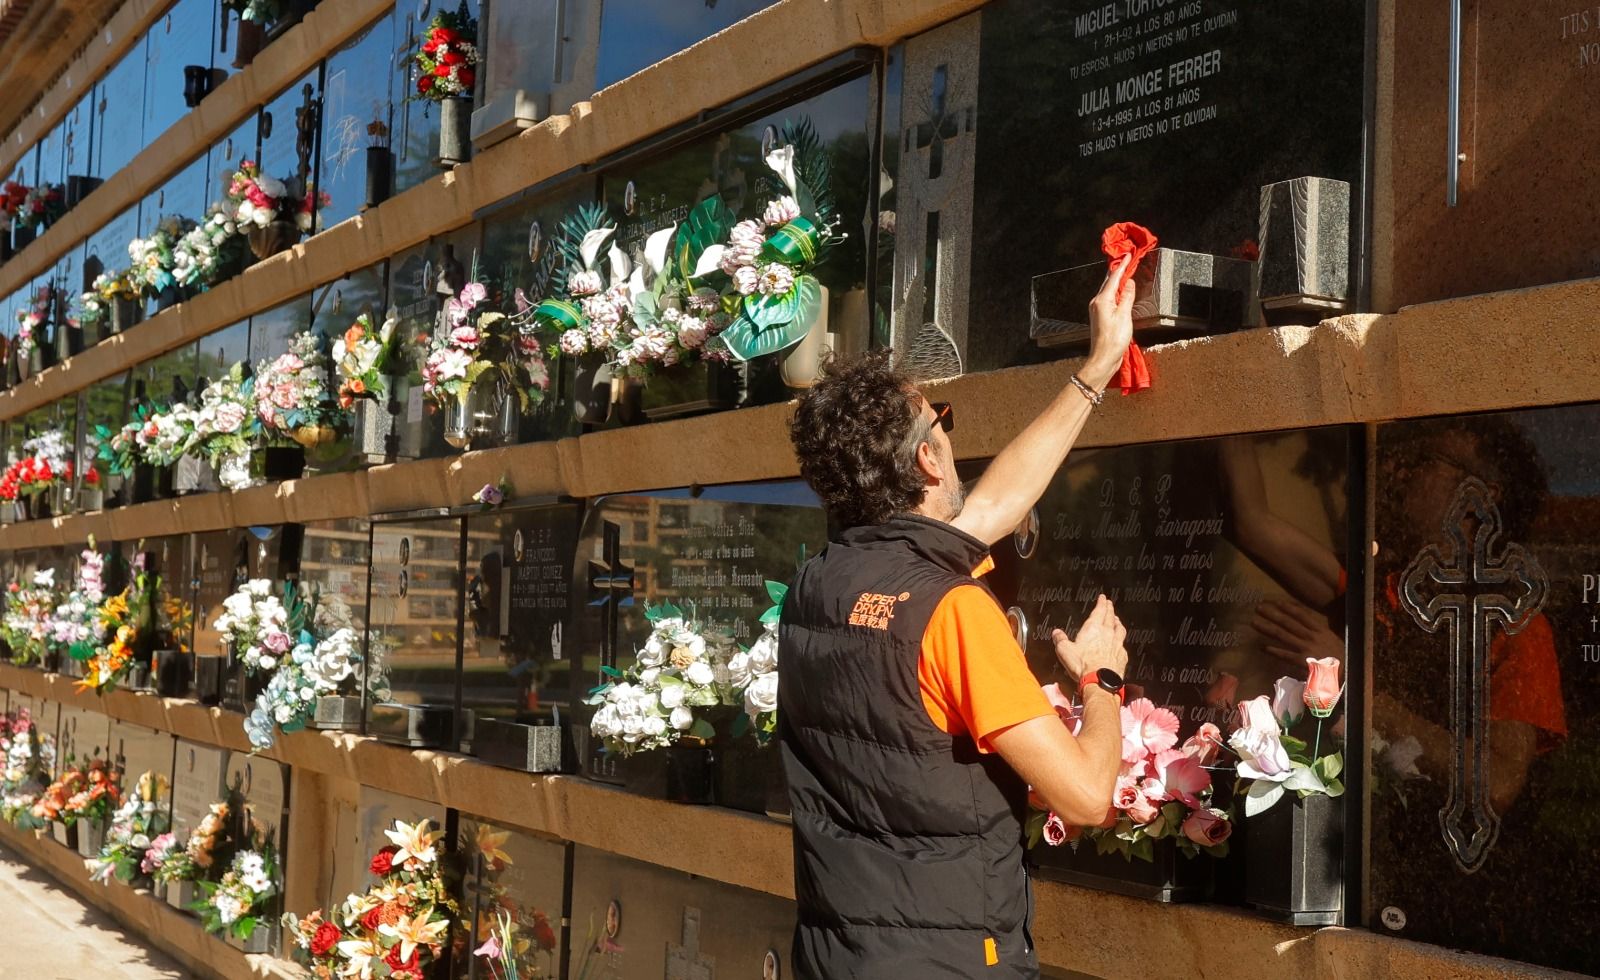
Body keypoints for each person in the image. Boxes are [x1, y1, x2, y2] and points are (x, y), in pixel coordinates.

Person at [779, 256, 1138, 979]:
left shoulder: (815, 586)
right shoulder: (952, 613)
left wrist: (1094, 371)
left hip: (837, 957)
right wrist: (1101, 680)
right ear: (930, 464)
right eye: (939, 422)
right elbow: (1087, 796)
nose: (948, 432)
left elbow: (988, 512)